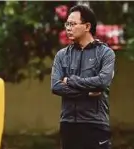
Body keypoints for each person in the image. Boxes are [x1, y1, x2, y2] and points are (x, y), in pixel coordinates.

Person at [50, 5, 116, 149]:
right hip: (68, 123)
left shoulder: (105, 53)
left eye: (72, 24)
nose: (68, 28)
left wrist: (71, 80)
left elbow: (102, 82)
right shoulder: (62, 55)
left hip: (95, 124)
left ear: (87, 26)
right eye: (67, 24)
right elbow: (56, 86)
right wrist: (87, 92)